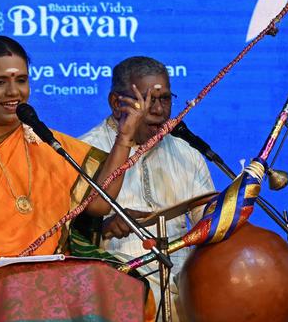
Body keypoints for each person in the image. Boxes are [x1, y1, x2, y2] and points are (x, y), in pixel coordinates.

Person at [0, 36, 148, 322]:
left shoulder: (46, 142)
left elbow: (98, 203)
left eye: (21, 80)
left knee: (125, 283)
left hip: (40, 268)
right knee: (12, 290)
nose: (14, 92)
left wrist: (124, 138)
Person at [79, 56, 215, 291]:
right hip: (119, 286)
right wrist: (104, 228)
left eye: (165, 99)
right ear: (116, 102)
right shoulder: (86, 151)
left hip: (188, 285)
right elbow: (69, 241)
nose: (160, 111)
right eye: (148, 100)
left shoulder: (186, 152)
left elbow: (207, 221)